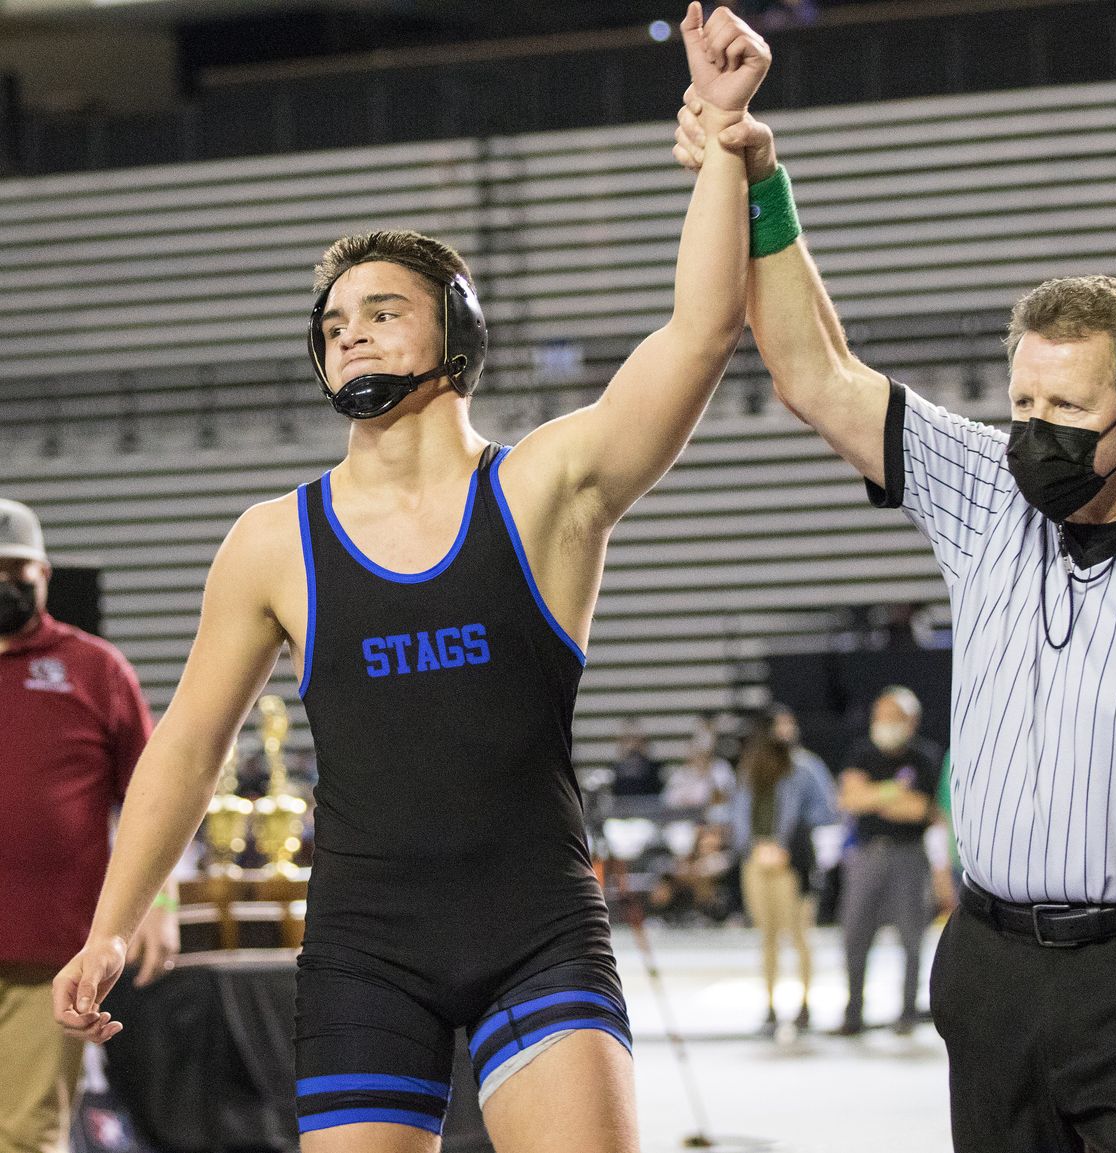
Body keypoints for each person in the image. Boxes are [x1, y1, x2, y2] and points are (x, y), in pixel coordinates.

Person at [54, 8, 771, 1152]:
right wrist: (113, 920)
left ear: (457, 337)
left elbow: (699, 330)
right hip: (363, 949)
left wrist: (727, 142)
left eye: (382, 312)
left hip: (536, 928)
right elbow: (187, 743)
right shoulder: (272, 541)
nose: (351, 336)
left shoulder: (542, 489)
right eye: (334, 324)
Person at [674, 96, 1116, 1151]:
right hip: (991, 962)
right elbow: (816, 372)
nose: (1036, 436)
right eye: (1024, 406)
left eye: (1070, 412)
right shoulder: (987, 491)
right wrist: (761, 176)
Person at [0, 498, 177, 1153]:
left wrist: (159, 901)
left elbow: (155, 795)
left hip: (47, 955)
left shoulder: (95, 669)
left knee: (25, 1136)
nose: (5, 586)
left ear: (45, 573)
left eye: (17, 571)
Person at [835, 686, 939, 1036]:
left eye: (892, 717)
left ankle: (907, 1010)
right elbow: (849, 799)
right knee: (854, 934)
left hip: (908, 856)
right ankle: (854, 1012)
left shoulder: (924, 757)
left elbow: (920, 810)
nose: (883, 724)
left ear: (911, 721)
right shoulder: (861, 752)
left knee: (912, 936)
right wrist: (894, 792)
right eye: (879, 716)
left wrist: (872, 795)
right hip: (866, 854)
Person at [731, 706, 838, 1033]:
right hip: (757, 860)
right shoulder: (751, 768)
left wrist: (787, 843)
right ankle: (770, 1005)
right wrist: (752, 847)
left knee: (800, 934)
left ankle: (805, 1002)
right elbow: (738, 814)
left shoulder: (805, 767)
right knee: (767, 936)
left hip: (791, 862)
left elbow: (827, 810)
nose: (786, 731)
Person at [608, 718, 666, 798]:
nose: (633, 745)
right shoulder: (613, 770)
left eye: (636, 740)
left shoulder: (656, 768)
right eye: (628, 740)